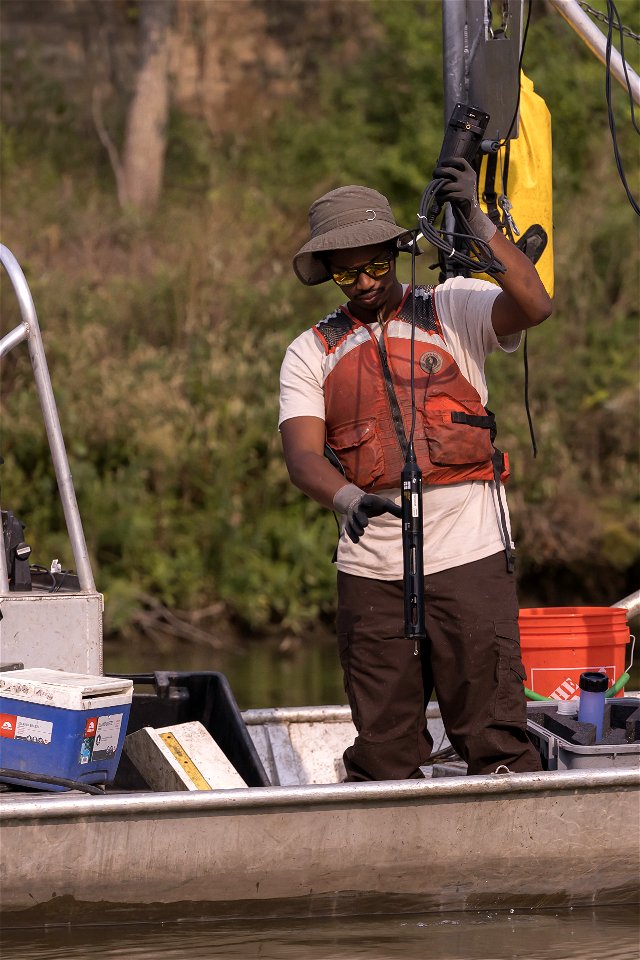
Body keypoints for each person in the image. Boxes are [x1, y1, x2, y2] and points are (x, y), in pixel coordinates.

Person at [279, 159, 553, 781]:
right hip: (371, 567)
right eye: (348, 274)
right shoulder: (310, 351)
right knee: (384, 748)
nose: (366, 282)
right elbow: (301, 457)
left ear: (398, 254)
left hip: (470, 552)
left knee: (493, 734)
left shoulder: (454, 307)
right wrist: (347, 497)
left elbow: (534, 304)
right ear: (328, 274)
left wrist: (479, 223)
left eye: (377, 264)